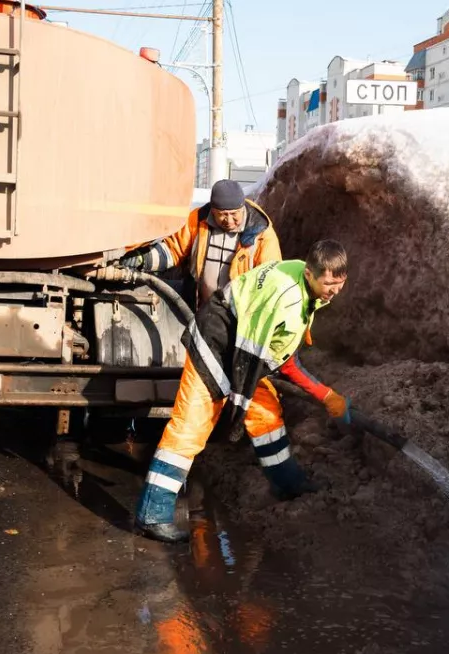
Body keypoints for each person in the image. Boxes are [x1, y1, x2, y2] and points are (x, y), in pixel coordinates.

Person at [135, 239, 354, 543]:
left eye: (340, 283)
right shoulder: (286, 299)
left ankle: (288, 483)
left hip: (244, 345)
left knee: (266, 417)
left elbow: (283, 358)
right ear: (310, 273)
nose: (335, 291)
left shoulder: (301, 276)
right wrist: (235, 411)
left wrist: (326, 395)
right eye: (329, 284)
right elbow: (249, 362)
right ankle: (153, 514)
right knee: (191, 427)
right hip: (216, 344)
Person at [119, 178, 281, 308]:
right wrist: (143, 259)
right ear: (213, 210)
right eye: (223, 214)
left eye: (234, 214)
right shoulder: (197, 221)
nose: (229, 220)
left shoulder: (261, 233)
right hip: (200, 307)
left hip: (240, 314)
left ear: (242, 208)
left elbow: (272, 279)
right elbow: (173, 250)